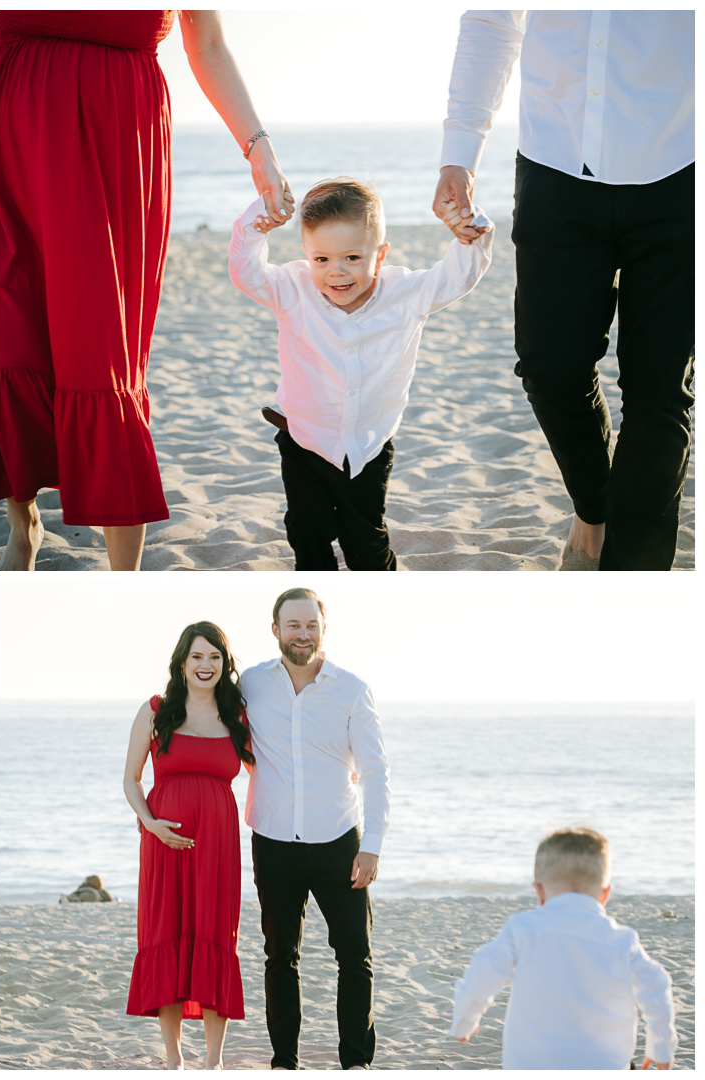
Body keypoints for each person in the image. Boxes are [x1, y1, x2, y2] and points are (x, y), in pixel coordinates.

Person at [0, 10, 294, 571]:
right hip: (9, 131)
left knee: (100, 347)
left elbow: (206, 45)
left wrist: (260, 152)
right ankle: (22, 524)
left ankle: (123, 576)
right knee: (13, 328)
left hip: (116, 137)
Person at [433, 11, 695, 571]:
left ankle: (628, 589)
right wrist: (459, 153)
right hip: (555, 160)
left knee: (659, 393)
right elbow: (492, 21)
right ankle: (596, 507)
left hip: (681, 163)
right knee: (550, 368)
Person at [228, 177, 493, 570]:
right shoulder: (291, 288)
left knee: (364, 537)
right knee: (306, 530)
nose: (337, 273)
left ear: (379, 255)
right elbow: (245, 271)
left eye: (352, 258)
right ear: (306, 254)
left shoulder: (405, 294)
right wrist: (256, 225)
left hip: (367, 446)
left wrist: (470, 234)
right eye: (322, 259)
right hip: (304, 440)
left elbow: (455, 278)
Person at [241, 587, 390, 1069]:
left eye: (311, 626)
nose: (302, 634)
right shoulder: (251, 686)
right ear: (275, 630)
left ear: (323, 631)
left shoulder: (351, 688)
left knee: (355, 956)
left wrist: (372, 847)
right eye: (293, 625)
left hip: (339, 843)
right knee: (280, 956)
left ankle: (356, 1063)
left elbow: (376, 772)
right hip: (273, 840)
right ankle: (284, 1061)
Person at [124, 621, 254, 1071]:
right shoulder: (157, 710)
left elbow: (269, 773)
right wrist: (150, 824)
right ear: (182, 662)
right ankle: (174, 1058)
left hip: (218, 848)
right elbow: (131, 780)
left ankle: (214, 1061)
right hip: (164, 844)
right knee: (168, 937)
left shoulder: (238, 715)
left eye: (215, 657)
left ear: (225, 664)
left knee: (216, 938)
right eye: (197, 656)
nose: (206, 665)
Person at [451, 828, 678, 1070]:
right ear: (605, 894)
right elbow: (656, 985)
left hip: (530, 1064)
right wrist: (660, 1046)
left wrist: (465, 1019)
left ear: (538, 892)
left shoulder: (521, 929)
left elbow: (486, 965)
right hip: (604, 1066)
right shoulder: (622, 941)